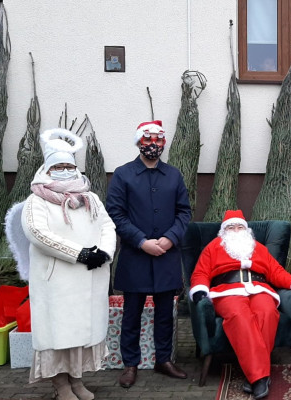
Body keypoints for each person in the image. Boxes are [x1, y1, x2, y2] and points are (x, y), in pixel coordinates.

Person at [14, 128, 116, 400]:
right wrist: (80, 253)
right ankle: (60, 385)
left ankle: (77, 380)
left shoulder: (90, 198)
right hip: (56, 280)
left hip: (89, 278)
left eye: (68, 166)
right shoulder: (36, 201)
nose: (64, 170)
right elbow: (37, 234)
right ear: (47, 169)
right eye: (58, 166)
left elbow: (107, 226)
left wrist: (103, 253)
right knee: (59, 333)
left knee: (82, 332)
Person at [105, 120, 192, 388]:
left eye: (158, 140)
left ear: (164, 143)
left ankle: (163, 360)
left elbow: (184, 212)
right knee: (132, 313)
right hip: (136, 256)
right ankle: (130, 364)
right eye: (147, 139)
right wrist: (141, 241)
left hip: (166, 255)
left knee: (166, 313)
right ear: (138, 141)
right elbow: (115, 214)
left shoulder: (174, 175)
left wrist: (169, 239)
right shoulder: (122, 174)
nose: (153, 144)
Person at [189, 210, 291, 400]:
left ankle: (254, 374)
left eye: (239, 227)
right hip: (227, 291)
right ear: (223, 231)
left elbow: (276, 271)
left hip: (260, 289)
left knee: (268, 312)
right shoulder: (213, 247)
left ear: (246, 230)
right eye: (231, 227)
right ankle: (259, 377)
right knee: (239, 316)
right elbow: (200, 273)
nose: (236, 231)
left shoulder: (258, 247)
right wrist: (200, 289)